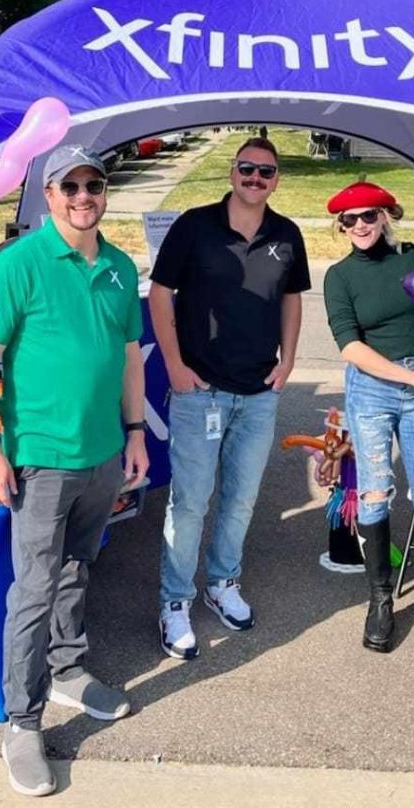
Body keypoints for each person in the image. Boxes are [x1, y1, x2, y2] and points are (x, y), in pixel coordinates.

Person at [0, 145, 149, 797]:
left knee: (77, 568)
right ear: (49, 194)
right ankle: (21, 721)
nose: (83, 195)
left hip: (102, 455)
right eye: (69, 185)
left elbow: (129, 358)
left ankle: (68, 671)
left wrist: (134, 434)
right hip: (40, 459)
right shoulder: (18, 264)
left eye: (93, 184)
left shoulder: (122, 268)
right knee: (34, 589)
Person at [149, 137, 310, 659]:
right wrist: (174, 366)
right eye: (247, 169)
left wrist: (288, 360)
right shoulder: (195, 225)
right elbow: (159, 293)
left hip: (258, 392)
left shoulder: (286, 234)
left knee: (240, 500)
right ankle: (175, 601)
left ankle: (223, 583)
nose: (255, 179)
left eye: (266, 172)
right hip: (201, 391)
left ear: (276, 179)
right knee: (191, 503)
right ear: (232, 171)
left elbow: (290, 296)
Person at [322, 180, 414, 683]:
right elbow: (350, 347)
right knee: (375, 495)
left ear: (386, 215)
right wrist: (413, 377)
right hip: (372, 388)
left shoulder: (413, 256)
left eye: (368, 216)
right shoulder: (339, 277)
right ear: (339, 227)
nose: (359, 225)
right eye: (349, 220)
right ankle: (381, 600)